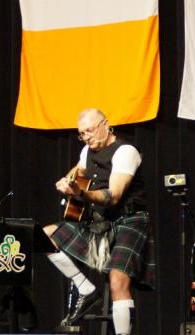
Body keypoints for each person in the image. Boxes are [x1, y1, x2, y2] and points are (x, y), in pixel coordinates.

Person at [43, 108, 154, 335]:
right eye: (82, 134)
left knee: (117, 281)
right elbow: (79, 170)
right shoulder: (87, 150)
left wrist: (81, 194)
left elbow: (113, 196)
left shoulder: (125, 152)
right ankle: (86, 289)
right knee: (44, 235)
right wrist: (69, 180)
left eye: (90, 131)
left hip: (129, 221)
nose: (87, 137)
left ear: (105, 124)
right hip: (100, 223)